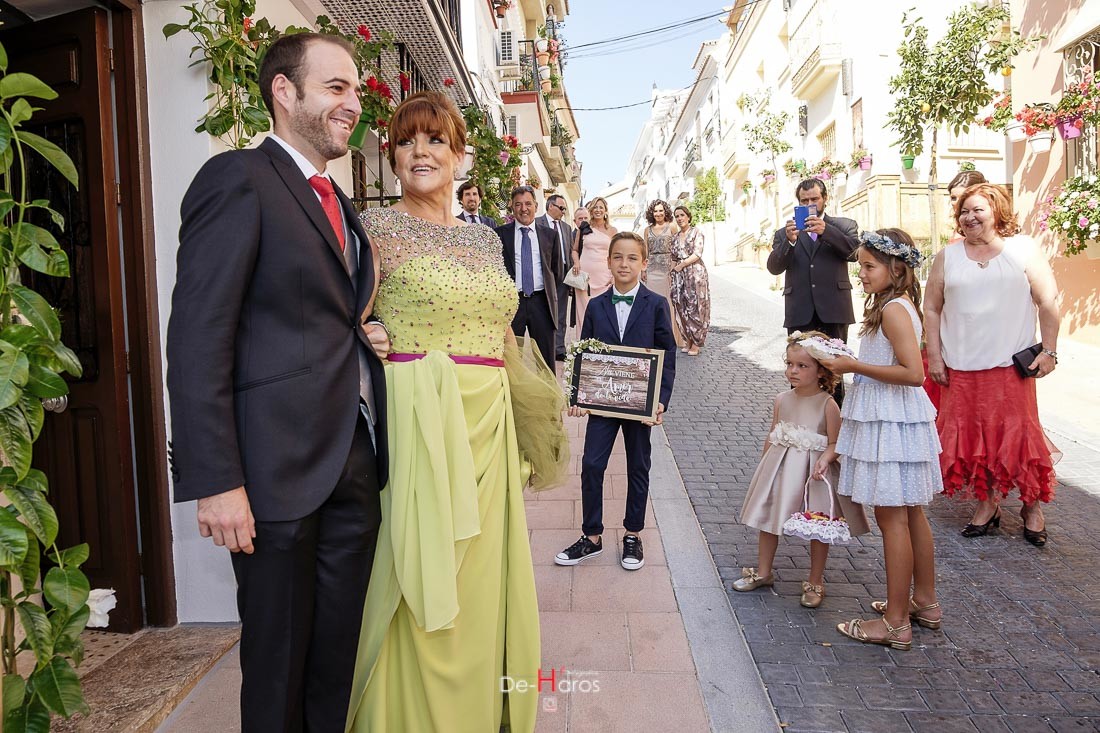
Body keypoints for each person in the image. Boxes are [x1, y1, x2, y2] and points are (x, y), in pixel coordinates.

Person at [166, 33, 389, 732]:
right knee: (277, 664)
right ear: (283, 92)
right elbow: (200, 335)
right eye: (336, 87)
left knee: (333, 660)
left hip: (352, 464)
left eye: (355, 90)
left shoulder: (338, 201)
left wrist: (365, 337)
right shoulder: (237, 178)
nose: (353, 103)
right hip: (272, 478)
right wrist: (217, 479)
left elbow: (320, 312)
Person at [348, 91, 566, 733]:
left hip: (487, 423)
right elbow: (338, 317)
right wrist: (367, 332)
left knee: (479, 580)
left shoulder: (485, 242)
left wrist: (531, 423)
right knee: (420, 565)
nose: (421, 151)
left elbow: (502, 335)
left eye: (435, 140)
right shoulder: (374, 230)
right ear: (391, 157)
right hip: (420, 419)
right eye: (407, 141)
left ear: (460, 156)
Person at [825, 229, 942, 652]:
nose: (861, 274)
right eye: (860, 266)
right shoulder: (895, 306)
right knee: (912, 515)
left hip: (890, 422)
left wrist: (854, 364)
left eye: (869, 267)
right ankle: (923, 602)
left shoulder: (894, 309)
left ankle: (894, 623)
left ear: (897, 268)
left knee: (894, 519)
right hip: (896, 420)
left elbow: (914, 373)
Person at [924, 183, 1061, 545]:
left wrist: (1050, 350)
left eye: (977, 210)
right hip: (961, 369)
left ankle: (1032, 507)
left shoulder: (1022, 249)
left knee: (1021, 439)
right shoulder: (947, 256)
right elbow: (932, 308)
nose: (969, 217)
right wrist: (935, 356)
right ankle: (988, 505)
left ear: (997, 211)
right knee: (974, 442)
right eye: (964, 211)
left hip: (1010, 370)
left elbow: (1047, 301)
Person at [555, 232, 676, 570]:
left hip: (640, 404)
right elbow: (586, 352)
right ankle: (591, 536)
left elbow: (667, 352)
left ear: (643, 263)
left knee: (638, 466)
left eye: (632, 258)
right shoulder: (595, 306)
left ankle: (633, 534)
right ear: (608, 262)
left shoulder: (656, 305)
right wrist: (579, 394)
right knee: (592, 464)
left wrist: (660, 400)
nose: (624, 264)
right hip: (604, 403)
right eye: (618, 257)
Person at [734, 333, 869, 608]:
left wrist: (827, 458)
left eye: (802, 366)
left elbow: (836, 441)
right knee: (768, 518)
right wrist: (763, 465)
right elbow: (773, 433)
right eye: (790, 364)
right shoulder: (782, 399)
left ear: (821, 370)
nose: (793, 371)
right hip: (780, 470)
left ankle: (815, 580)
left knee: (817, 525)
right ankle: (763, 571)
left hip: (812, 474)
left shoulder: (827, 403)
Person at [768, 179, 859, 401]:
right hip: (800, 310)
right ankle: (801, 419)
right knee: (799, 369)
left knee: (832, 370)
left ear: (825, 199)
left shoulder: (843, 226)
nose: (810, 204)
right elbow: (774, 268)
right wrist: (788, 243)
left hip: (834, 310)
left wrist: (827, 232)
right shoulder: (784, 233)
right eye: (804, 200)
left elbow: (855, 253)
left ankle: (834, 423)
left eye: (814, 199)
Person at [921, 170, 988, 410]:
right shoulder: (955, 238)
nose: (957, 203)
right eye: (952, 198)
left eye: (963, 196)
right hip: (950, 330)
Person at [496, 186, 563, 368]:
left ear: (536, 205)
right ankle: (511, 396)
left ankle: (549, 396)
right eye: (518, 204)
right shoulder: (501, 235)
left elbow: (557, 272)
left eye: (528, 204)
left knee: (545, 360)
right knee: (510, 357)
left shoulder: (550, 236)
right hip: (512, 304)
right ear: (512, 207)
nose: (523, 208)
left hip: (541, 303)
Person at [669, 205, 711, 355]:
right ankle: (688, 340)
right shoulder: (674, 237)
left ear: (688, 216)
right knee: (681, 307)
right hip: (679, 275)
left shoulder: (697, 232)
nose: (680, 218)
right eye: (677, 216)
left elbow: (697, 253)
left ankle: (696, 343)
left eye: (682, 215)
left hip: (695, 273)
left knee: (695, 307)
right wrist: (674, 271)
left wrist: (682, 265)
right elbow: (673, 257)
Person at [571, 196, 616, 330]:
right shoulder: (584, 228)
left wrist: (614, 276)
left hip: (604, 277)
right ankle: (582, 344)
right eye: (595, 207)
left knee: (604, 310)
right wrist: (576, 263)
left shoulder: (612, 231)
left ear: (605, 211)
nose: (598, 210)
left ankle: (602, 344)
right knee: (583, 311)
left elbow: (615, 255)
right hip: (583, 276)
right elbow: (574, 250)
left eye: (601, 207)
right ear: (591, 210)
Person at [539, 193, 574, 360]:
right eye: (561, 208)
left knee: (560, 314)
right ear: (550, 206)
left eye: (564, 209)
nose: (563, 211)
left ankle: (559, 349)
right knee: (544, 313)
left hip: (563, 274)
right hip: (544, 274)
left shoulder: (566, 228)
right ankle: (544, 348)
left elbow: (569, 251)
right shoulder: (537, 223)